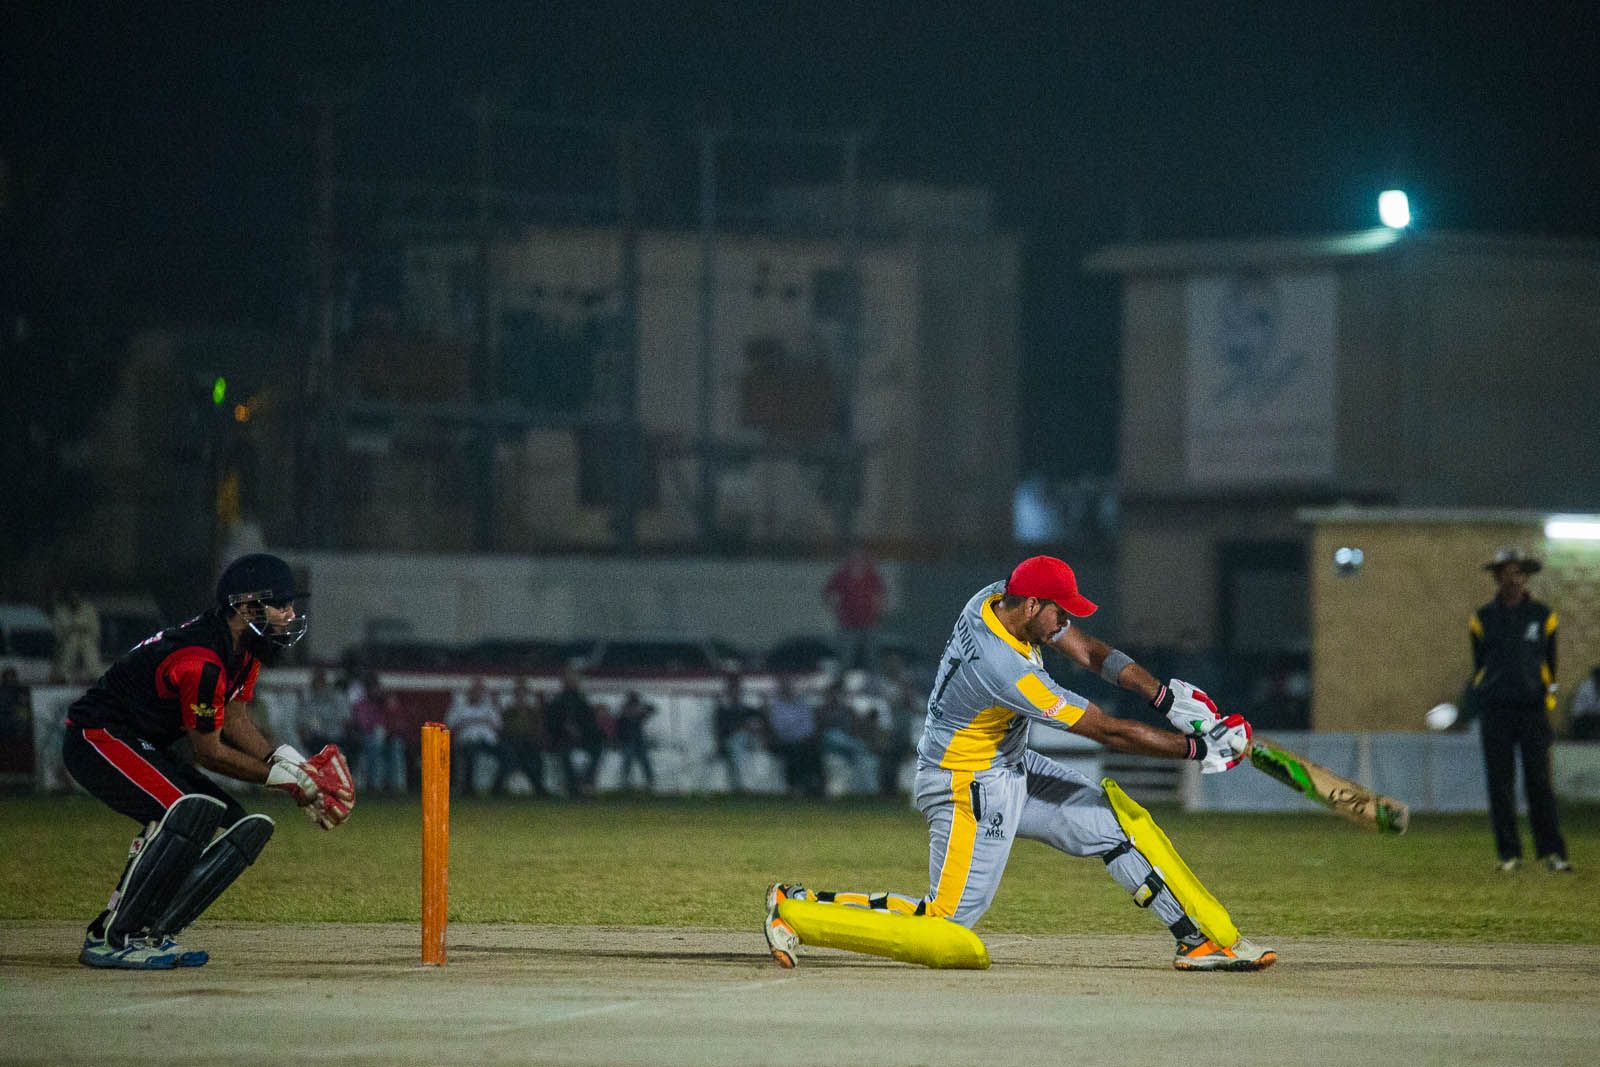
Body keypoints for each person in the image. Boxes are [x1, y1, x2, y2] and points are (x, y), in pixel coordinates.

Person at [764, 555, 1271, 972]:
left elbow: (1088, 652)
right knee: (945, 924)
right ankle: (798, 910)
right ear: (1031, 605)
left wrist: (1163, 697)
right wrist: (1198, 749)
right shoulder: (1006, 671)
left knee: (1113, 828)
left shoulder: (993, 598)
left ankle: (1197, 942)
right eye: (1058, 611)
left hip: (1007, 765)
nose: (1065, 621)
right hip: (965, 784)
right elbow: (1107, 731)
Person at [59, 553, 353, 970]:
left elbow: (234, 719)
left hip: (139, 741)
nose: (290, 614)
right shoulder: (203, 660)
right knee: (185, 812)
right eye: (281, 604)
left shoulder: (242, 650)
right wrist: (289, 782)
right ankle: (112, 937)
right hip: (97, 736)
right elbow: (209, 752)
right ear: (246, 605)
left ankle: (151, 930)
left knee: (234, 824)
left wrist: (290, 765)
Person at [1469, 546, 1570, 873]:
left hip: (1532, 711)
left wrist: (1546, 700)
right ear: (1497, 577)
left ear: (1526, 577)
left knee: (1539, 782)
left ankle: (1552, 852)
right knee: (1500, 785)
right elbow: (1480, 666)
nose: (1514, 579)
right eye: (1507, 573)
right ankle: (1509, 854)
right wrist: (1484, 696)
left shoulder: (1543, 616)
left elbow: (1550, 665)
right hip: (1496, 711)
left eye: (1519, 573)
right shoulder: (1482, 618)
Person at [823, 548, 887, 671]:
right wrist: (835, 609)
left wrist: (879, 611)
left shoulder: (871, 575)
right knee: (846, 657)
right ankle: (842, 679)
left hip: (869, 622)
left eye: (860, 560)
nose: (858, 563)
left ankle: (874, 679)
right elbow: (828, 592)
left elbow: (881, 593)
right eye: (855, 560)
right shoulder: (842, 576)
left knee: (872, 656)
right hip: (848, 624)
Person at [548, 665, 604, 798]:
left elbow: (590, 721)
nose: (573, 682)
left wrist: (583, 732)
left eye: (574, 679)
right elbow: (552, 723)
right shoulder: (558, 701)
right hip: (563, 739)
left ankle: (587, 783)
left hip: (583, 738)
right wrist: (565, 729)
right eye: (570, 679)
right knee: (565, 754)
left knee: (597, 749)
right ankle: (574, 787)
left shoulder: (582, 701)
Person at [767, 675, 824, 799]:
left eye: (790, 688)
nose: (788, 691)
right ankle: (793, 787)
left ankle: (817, 786)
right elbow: (780, 728)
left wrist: (796, 730)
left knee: (813, 750)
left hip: (804, 740)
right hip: (785, 741)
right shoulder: (777, 707)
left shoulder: (802, 704)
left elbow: (809, 726)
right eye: (785, 688)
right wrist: (796, 729)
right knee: (794, 751)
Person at [712, 672, 766, 794]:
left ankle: (746, 785)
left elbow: (760, 722)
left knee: (748, 739)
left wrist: (754, 728)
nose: (735, 692)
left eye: (737, 689)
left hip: (751, 740)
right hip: (733, 741)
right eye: (732, 689)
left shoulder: (747, 709)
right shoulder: (723, 711)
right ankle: (743, 786)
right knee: (737, 745)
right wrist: (742, 728)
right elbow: (723, 730)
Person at [447, 677, 502, 796]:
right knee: (470, 753)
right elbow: (450, 725)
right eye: (475, 691)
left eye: (480, 691)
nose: (477, 694)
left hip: (488, 741)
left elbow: (498, 726)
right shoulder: (459, 707)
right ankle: (468, 789)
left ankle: (497, 789)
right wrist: (471, 722)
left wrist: (478, 721)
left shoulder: (489, 707)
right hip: (467, 741)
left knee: (506, 754)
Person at [496, 676, 550, 797]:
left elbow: (537, 728)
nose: (521, 698)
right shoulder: (509, 712)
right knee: (508, 758)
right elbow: (505, 729)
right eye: (519, 695)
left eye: (523, 695)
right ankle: (497, 788)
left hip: (528, 742)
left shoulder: (532, 712)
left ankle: (539, 788)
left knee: (535, 760)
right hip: (511, 741)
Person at [51, 589, 105, 685]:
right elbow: (58, 631)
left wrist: (82, 631)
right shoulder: (61, 611)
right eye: (71, 598)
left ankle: (94, 675)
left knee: (88, 647)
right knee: (71, 644)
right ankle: (63, 676)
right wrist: (72, 631)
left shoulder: (88, 609)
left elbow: (95, 629)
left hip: (87, 640)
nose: (74, 600)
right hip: (68, 642)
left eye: (76, 598)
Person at [295, 665, 352, 753]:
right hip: (316, 740)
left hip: (337, 738)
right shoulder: (307, 702)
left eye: (322, 679)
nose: (319, 683)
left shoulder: (337, 697)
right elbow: (301, 724)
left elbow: (347, 720)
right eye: (317, 680)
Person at [613, 690, 657, 792]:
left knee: (641, 761)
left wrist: (642, 711)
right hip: (630, 740)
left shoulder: (634, 710)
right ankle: (626, 782)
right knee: (631, 761)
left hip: (636, 740)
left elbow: (652, 709)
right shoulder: (625, 711)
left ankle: (648, 781)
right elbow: (619, 724)